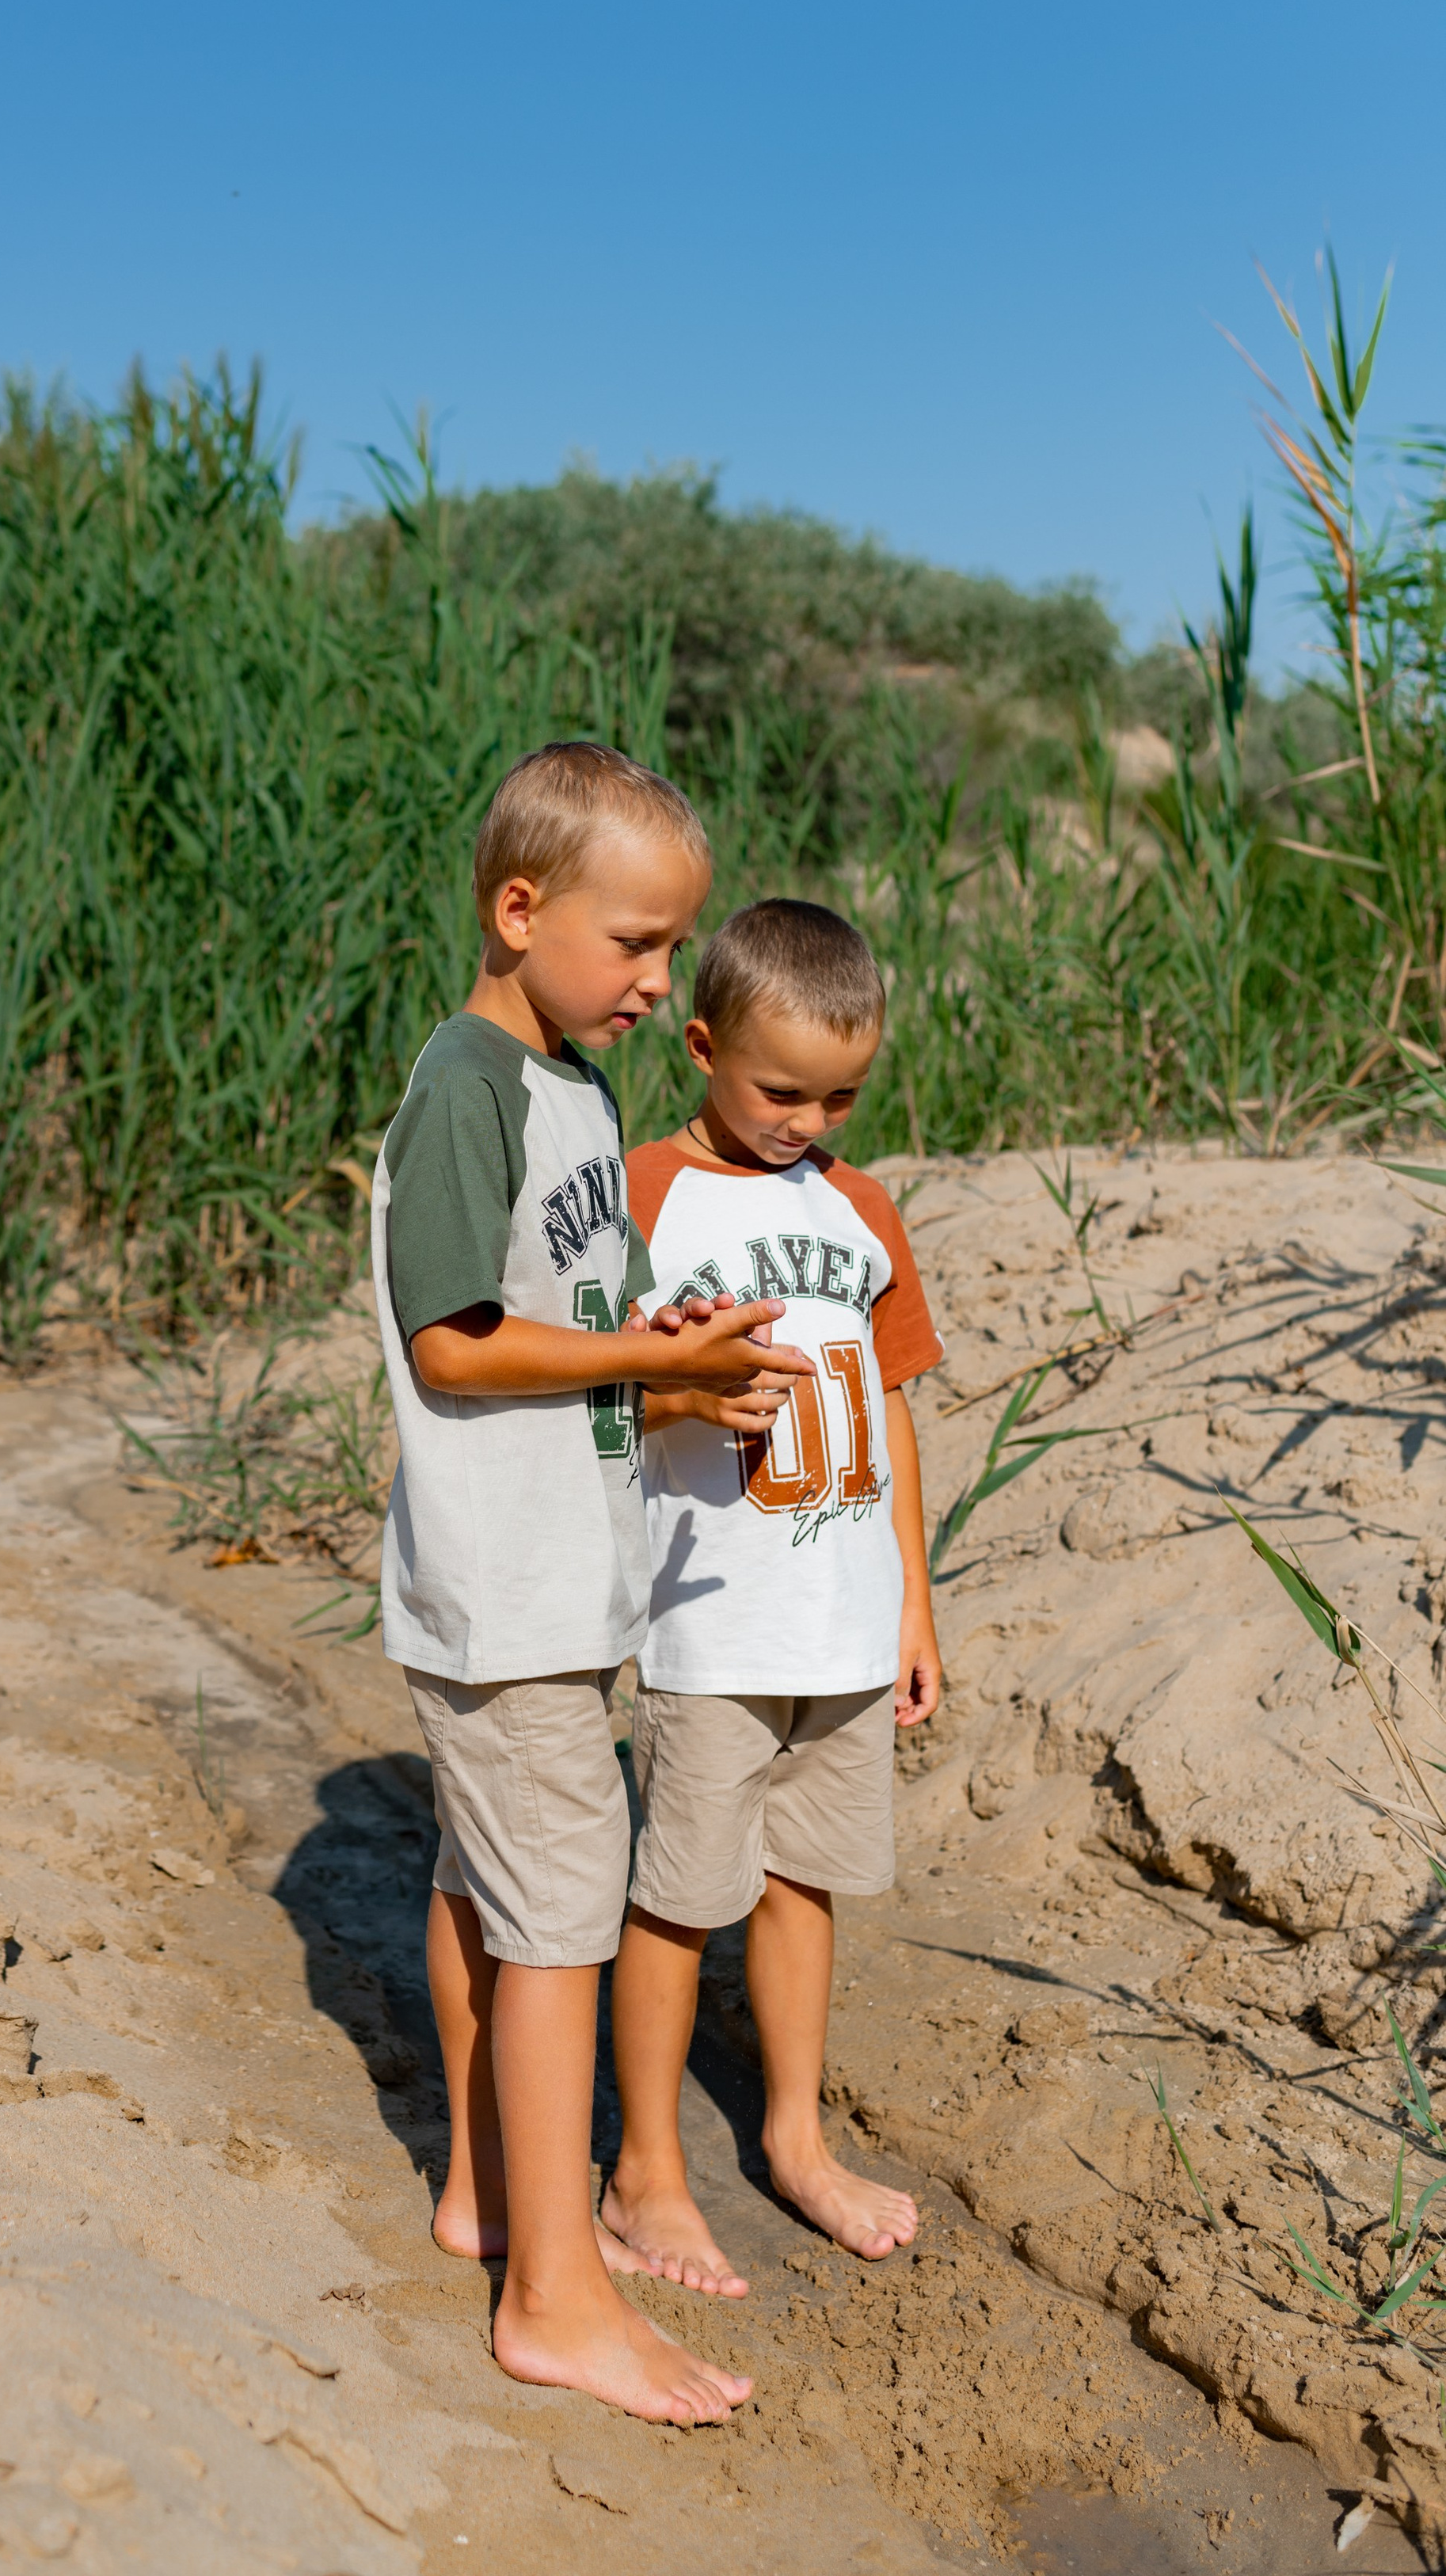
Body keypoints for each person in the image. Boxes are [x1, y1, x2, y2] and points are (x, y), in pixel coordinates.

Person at [371, 742, 811, 2426]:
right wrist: (644, 1355)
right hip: (507, 1589)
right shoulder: (466, 1087)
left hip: (556, 1574)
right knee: (560, 1923)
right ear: (517, 910)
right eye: (633, 943)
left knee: (486, 1885)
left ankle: (488, 2194)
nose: (658, 980)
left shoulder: (570, 1091)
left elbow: (562, 1330)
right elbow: (454, 1342)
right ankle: (553, 2293)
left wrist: (671, 1373)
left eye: (672, 946)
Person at [601, 896, 942, 2297]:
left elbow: (893, 1404)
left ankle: (796, 2140)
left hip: (844, 1623)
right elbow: (584, 1390)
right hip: (710, 1624)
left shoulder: (862, 1209)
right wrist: (674, 1386)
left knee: (807, 1884)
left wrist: (914, 1604)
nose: (809, 1122)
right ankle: (647, 2171)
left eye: (841, 1097)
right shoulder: (642, 1195)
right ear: (702, 1049)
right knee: (680, 1899)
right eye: (781, 1091)